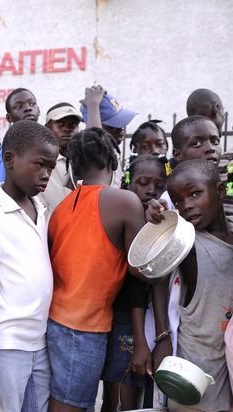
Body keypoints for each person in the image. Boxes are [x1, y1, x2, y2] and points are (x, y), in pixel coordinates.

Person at [0, 121, 59, 411]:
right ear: (9, 159)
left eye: (51, 167)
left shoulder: (41, 209)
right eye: (39, 164)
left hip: (39, 342)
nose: (45, 175)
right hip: (4, 342)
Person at [46, 128, 145, 412]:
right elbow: (140, 269)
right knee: (71, 405)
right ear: (112, 163)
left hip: (58, 320)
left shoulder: (63, 206)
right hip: (85, 327)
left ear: (74, 166)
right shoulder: (123, 201)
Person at [100, 155, 170, 412]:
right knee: (120, 399)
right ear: (128, 183)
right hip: (125, 322)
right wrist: (140, 340)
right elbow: (133, 288)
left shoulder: (157, 221)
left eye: (159, 184)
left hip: (144, 322)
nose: (152, 190)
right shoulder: (127, 221)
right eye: (143, 182)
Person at [164, 159, 233, 411]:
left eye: (195, 194)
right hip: (197, 373)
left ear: (220, 191)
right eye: (178, 201)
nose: (187, 206)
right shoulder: (188, 244)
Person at [0, 88, 40, 194]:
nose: (28, 108)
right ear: (9, 117)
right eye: (19, 107)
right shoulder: (9, 147)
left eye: (32, 103)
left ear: (39, 110)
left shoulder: (45, 142)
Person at [39, 102, 82, 213]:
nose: (67, 129)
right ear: (47, 127)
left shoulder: (78, 158)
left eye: (72, 125)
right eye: (60, 124)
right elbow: (64, 205)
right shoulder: (44, 162)